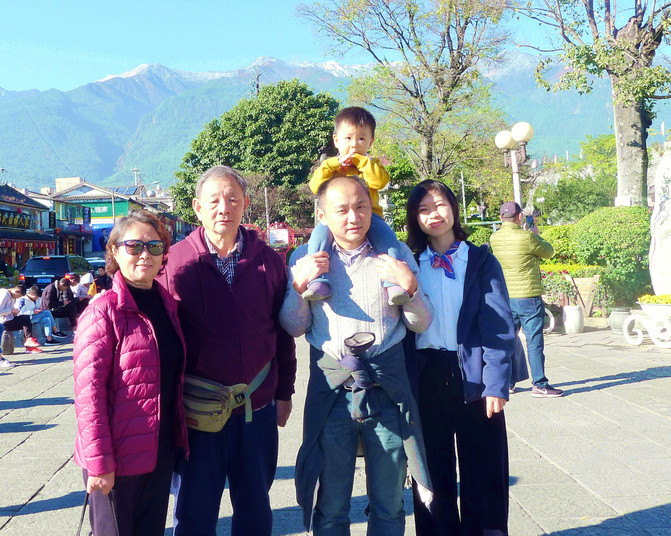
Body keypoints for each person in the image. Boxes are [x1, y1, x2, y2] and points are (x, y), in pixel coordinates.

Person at [280, 175, 434, 535]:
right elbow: (293, 327)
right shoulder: (305, 258)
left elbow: (421, 323)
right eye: (342, 210)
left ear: (371, 210)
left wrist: (410, 287)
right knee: (331, 505)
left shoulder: (394, 255)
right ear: (322, 216)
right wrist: (299, 286)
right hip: (333, 391)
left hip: (387, 391)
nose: (354, 217)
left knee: (390, 503)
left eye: (361, 207)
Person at [158, 165, 297, 536]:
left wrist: (284, 392)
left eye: (233, 199)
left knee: (255, 510)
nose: (224, 208)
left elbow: (283, 333)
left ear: (245, 204)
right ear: (197, 207)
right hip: (196, 413)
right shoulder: (173, 263)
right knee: (194, 514)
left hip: (257, 408)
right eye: (214, 200)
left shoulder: (269, 261)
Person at [405, 180, 514, 535]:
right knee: (432, 472)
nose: (433, 214)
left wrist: (495, 383)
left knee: (483, 467)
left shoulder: (480, 261)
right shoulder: (410, 264)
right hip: (427, 375)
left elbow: (498, 325)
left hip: (474, 375)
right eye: (423, 209)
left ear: (453, 207)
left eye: (439, 205)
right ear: (415, 218)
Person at [73, 209, 188, 536]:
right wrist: (99, 463)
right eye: (134, 246)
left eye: (154, 246)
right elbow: (88, 396)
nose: (145, 254)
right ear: (114, 251)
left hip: (158, 453)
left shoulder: (168, 305)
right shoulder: (103, 311)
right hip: (117, 461)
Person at [305, 106, 408, 305]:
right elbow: (315, 186)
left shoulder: (372, 164)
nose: (354, 144)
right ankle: (318, 280)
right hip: (334, 220)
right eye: (348, 138)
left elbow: (380, 182)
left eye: (361, 138)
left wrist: (363, 163)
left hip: (371, 217)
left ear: (371, 142)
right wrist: (333, 164)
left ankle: (393, 282)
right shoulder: (330, 167)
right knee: (318, 238)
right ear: (336, 140)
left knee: (388, 240)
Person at [489, 201, 563, 398]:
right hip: (528, 297)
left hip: (506, 297)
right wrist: (535, 233)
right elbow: (549, 252)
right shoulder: (528, 237)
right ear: (520, 217)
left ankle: (507, 382)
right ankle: (539, 384)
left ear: (501, 217)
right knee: (534, 341)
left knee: (508, 340)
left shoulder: (494, 238)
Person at [0, 285, 42, 353]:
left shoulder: (11, 296)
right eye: (18, 296)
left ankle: (29, 342)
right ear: (16, 291)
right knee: (26, 321)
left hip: (9, 318)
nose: (18, 298)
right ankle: (29, 345)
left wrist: (14, 312)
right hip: (3, 322)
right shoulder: (4, 295)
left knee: (26, 319)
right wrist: (12, 310)